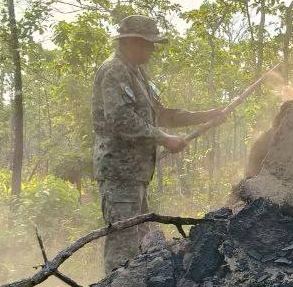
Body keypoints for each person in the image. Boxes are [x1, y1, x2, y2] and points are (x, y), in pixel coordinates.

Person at [92, 15, 224, 273]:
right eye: (148, 44)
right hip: (119, 173)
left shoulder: (138, 74)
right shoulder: (114, 70)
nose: (152, 50)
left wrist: (206, 116)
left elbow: (162, 115)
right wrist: (164, 138)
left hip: (136, 175)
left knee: (141, 240)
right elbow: (120, 119)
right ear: (132, 42)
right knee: (123, 245)